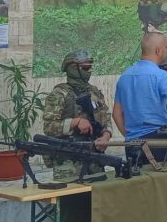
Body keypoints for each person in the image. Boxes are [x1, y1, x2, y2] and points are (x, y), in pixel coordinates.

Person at [113, 32, 167, 166]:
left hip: (132, 144)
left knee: (138, 178)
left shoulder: (124, 77)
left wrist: (130, 136)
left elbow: (116, 114)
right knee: (161, 178)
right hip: (158, 142)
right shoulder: (161, 75)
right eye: (166, 47)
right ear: (158, 50)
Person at [41, 50, 113, 181]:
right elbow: (49, 127)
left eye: (90, 67)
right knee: (73, 194)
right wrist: (75, 122)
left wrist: (106, 136)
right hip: (70, 163)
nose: (89, 71)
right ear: (73, 69)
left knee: (98, 193)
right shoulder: (59, 94)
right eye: (85, 68)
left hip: (94, 159)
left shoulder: (94, 92)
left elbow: (106, 117)